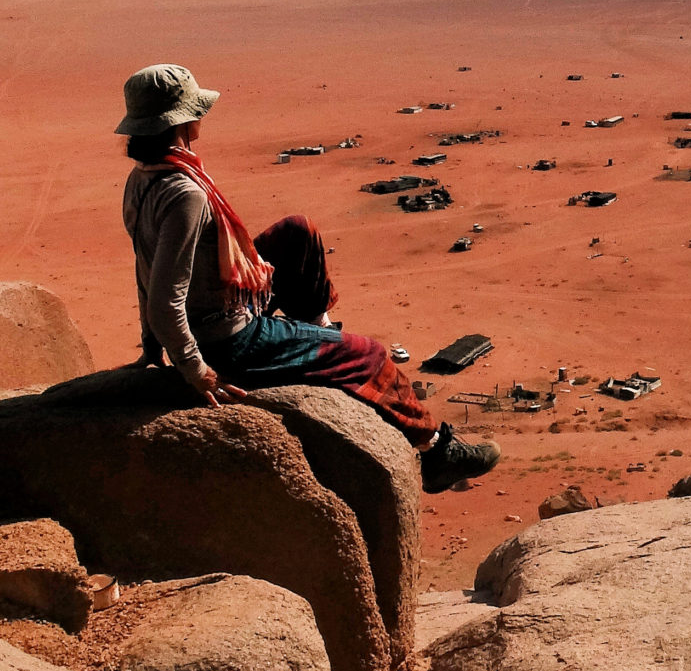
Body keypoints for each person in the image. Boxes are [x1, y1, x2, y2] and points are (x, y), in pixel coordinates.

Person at [116, 62, 499, 492]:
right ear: (184, 120)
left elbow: (143, 264)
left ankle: (315, 332)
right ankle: (437, 450)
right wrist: (196, 371)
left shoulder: (144, 179)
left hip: (217, 307)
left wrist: (152, 342)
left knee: (297, 232)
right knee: (370, 356)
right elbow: (165, 295)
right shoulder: (185, 193)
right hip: (231, 340)